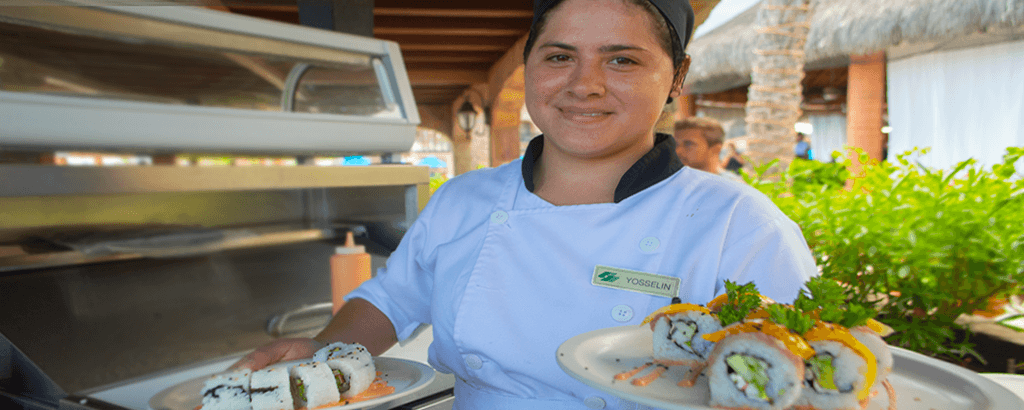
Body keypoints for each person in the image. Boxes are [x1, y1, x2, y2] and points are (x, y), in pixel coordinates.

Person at [232, 1, 817, 408]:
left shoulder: (738, 224)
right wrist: (323, 352)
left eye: (622, 59)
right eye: (559, 56)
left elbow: (801, 369)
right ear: (531, 65)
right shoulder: (464, 199)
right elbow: (391, 297)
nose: (584, 84)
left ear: (677, 77)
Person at [673, 117, 742, 182]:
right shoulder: (673, 183)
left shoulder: (733, 188)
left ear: (715, 149)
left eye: (688, 144)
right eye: (675, 144)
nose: (678, 151)